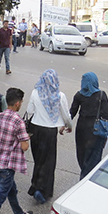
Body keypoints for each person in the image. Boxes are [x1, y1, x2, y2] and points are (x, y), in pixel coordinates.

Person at [27, 69, 72, 204]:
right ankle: (41, 190)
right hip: (49, 132)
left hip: (35, 129)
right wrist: (69, 125)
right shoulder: (60, 96)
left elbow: (30, 111)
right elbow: (65, 114)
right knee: (48, 162)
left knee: (38, 160)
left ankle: (35, 186)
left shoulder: (35, 92)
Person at [71, 72, 108, 179]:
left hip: (81, 131)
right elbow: (106, 115)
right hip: (96, 131)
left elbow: (72, 113)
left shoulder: (79, 95)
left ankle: (84, 175)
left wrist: (65, 125)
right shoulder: (102, 95)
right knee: (94, 158)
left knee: (82, 155)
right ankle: (87, 179)